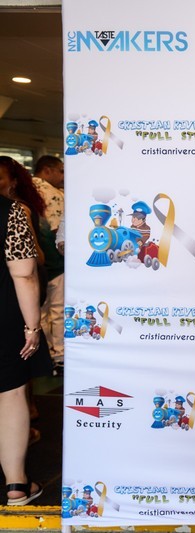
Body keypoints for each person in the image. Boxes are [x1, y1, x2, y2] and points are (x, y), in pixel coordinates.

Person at [0, 191, 51, 506]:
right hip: (4, 315)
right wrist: (32, 326)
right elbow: (24, 272)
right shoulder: (11, 211)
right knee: (11, 394)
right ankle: (16, 485)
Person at [32, 155, 65, 374]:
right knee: (58, 311)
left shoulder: (24, 191)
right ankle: (60, 356)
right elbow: (57, 231)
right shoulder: (53, 193)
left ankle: (42, 357)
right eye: (60, 171)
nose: (63, 176)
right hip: (54, 261)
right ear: (47, 170)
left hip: (32, 262)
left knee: (39, 313)